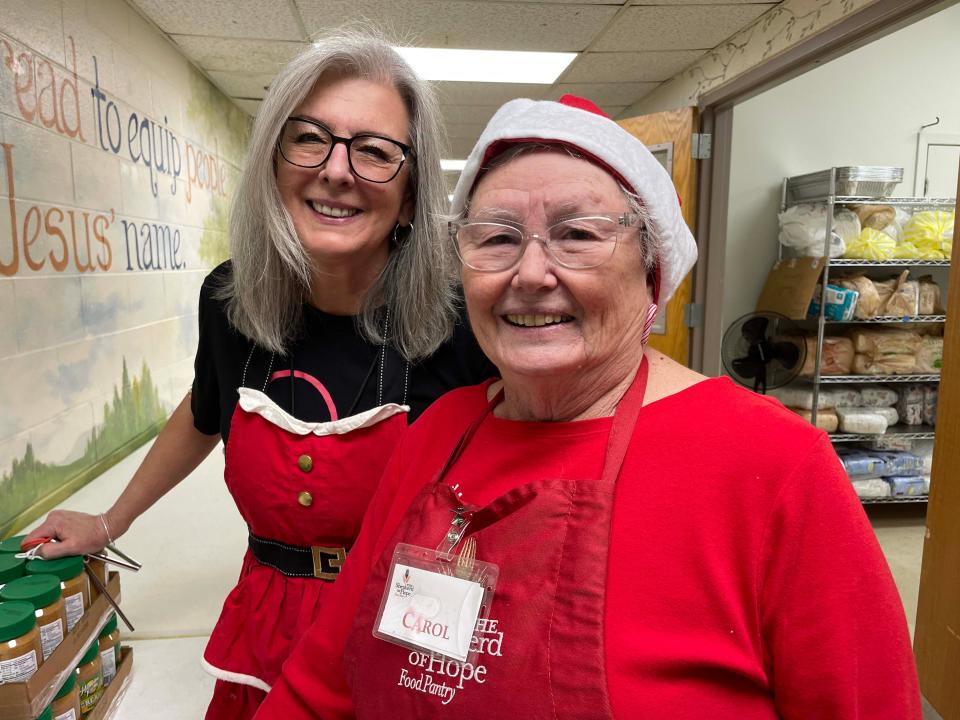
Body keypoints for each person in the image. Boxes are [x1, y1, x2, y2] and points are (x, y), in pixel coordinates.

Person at [251, 95, 921, 719]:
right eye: (496, 237)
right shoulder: (438, 434)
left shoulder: (774, 464)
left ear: (651, 270)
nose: (532, 273)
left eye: (578, 234)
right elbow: (321, 683)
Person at [24, 31, 495, 719]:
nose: (337, 171)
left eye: (374, 151)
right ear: (273, 159)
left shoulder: (461, 321)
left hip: (407, 623)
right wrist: (108, 519)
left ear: (413, 185)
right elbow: (205, 409)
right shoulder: (231, 300)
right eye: (310, 138)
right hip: (270, 612)